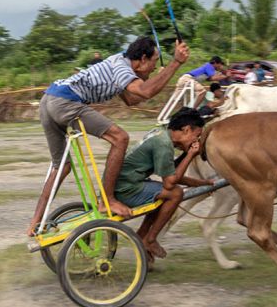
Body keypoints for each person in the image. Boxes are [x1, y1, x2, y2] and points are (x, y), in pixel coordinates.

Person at [28, 37, 190, 235]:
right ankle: (107, 200)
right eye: (154, 63)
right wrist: (176, 63)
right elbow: (145, 92)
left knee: (61, 166)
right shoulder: (122, 68)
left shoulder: (118, 63)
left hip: (48, 100)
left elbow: (132, 99)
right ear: (143, 59)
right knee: (120, 138)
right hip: (65, 101)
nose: (154, 69)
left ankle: (35, 222)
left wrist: (154, 79)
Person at [113, 107, 213, 260]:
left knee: (160, 194)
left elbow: (173, 175)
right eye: (197, 135)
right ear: (186, 130)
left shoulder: (160, 134)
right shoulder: (163, 145)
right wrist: (190, 155)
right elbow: (170, 183)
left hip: (127, 182)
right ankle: (151, 239)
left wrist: (202, 183)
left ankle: (142, 236)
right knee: (175, 193)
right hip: (126, 189)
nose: (196, 141)